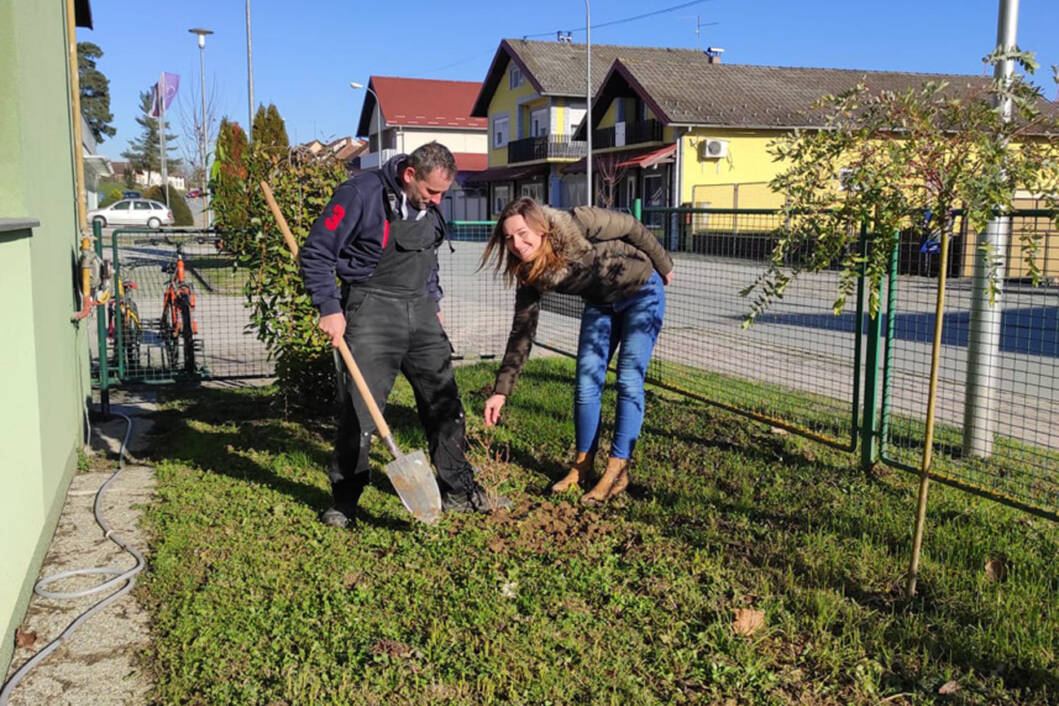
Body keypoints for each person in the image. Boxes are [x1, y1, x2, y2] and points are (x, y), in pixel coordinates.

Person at [301, 142, 510, 528]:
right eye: (432, 192)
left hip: (421, 311)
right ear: (409, 175)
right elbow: (317, 252)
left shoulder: (429, 204)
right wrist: (329, 308)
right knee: (359, 411)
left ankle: (459, 490)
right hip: (371, 309)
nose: (437, 200)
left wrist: (434, 302)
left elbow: (428, 257)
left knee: (444, 401)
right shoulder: (359, 194)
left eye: (443, 193)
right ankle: (345, 501)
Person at [481, 197, 673, 504]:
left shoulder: (579, 222)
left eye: (522, 233)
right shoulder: (528, 272)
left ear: (541, 229)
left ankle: (617, 469)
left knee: (628, 379)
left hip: (641, 291)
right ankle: (582, 465)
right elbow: (522, 332)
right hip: (601, 305)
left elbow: (632, 227)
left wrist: (664, 265)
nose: (516, 244)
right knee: (585, 384)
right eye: (508, 238)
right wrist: (501, 390)